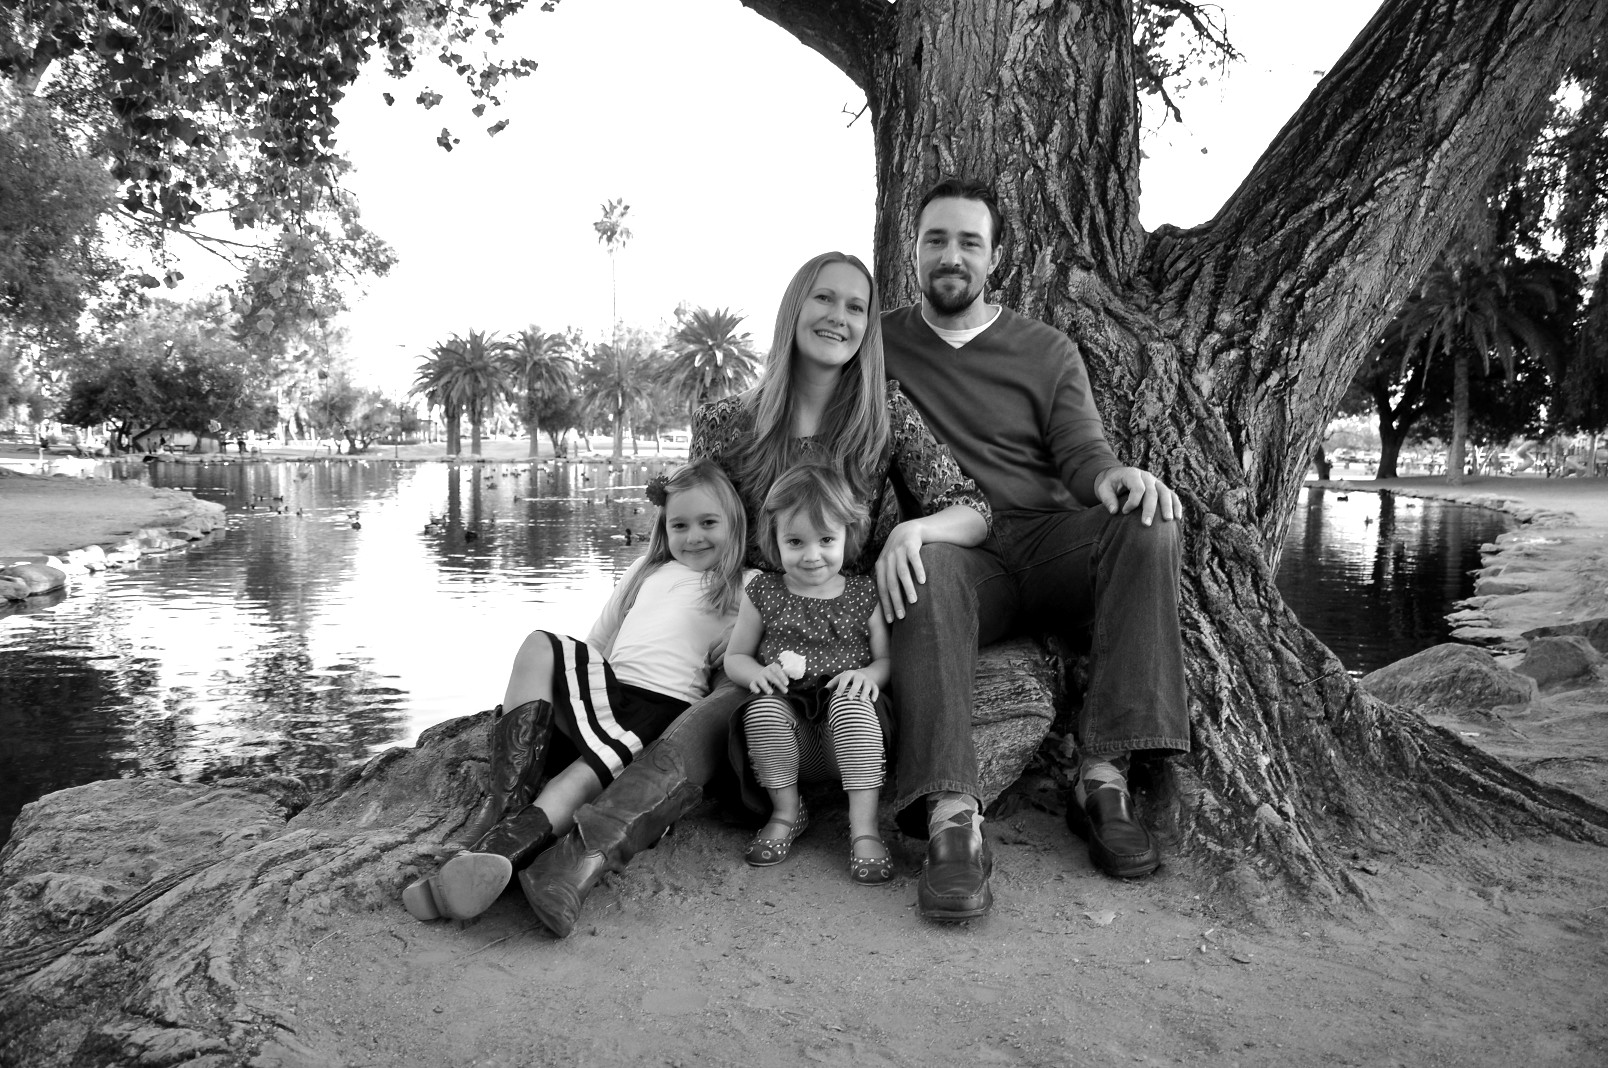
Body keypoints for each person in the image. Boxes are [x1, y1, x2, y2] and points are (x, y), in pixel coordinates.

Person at [517, 251, 990, 936]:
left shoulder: (884, 414)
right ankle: (570, 856)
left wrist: (911, 530)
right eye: (824, 298)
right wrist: (622, 635)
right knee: (705, 722)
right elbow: (683, 534)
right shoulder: (725, 422)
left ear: (869, 327)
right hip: (754, 646)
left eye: (856, 306)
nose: (839, 316)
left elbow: (971, 508)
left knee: (764, 716)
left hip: (851, 656)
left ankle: (583, 852)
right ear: (794, 308)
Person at [878, 176, 1190, 919]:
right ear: (912, 251)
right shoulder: (879, 345)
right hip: (962, 554)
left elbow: (1082, 453)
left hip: (1050, 544)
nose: (951, 256)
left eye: (969, 242)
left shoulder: (1047, 350)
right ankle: (952, 818)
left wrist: (1115, 478)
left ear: (996, 258)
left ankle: (1105, 778)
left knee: (1149, 522)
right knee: (923, 566)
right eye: (935, 240)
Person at [401, 459, 747, 922]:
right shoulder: (646, 571)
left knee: (577, 781)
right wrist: (569, 689)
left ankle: (499, 852)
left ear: (735, 523)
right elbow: (596, 642)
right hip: (606, 693)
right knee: (539, 645)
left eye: (708, 523)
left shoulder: (746, 585)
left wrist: (742, 636)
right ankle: (505, 803)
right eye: (679, 525)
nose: (694, 536)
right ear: (663, 528)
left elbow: (765, 648)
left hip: (657, 712)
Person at [724, 463, 894, 884]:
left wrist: (870, 676)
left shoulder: (864, 593)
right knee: (760, 710)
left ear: (848, 535)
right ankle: (786, 811)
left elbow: (887, 660)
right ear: (775, 540)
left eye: (826, 540)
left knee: (853, 704)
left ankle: (864, 828)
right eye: (795, 541)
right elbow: (735, 657)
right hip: (791, 736)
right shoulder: (763, 591)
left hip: (845, 739)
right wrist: (756, 674)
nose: (812, 555)